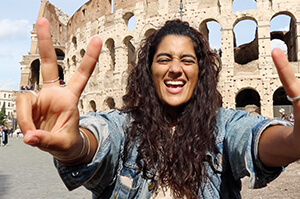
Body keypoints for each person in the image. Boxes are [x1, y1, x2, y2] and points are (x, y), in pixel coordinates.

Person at [16, 17, 299, 199]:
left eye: (187, 60)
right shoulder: (125, 128)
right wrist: (74, 145)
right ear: (147, 70)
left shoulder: (222, 127)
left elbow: (254, 138)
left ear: (201, 72)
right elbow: (97, 140)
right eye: (164, 59)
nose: (175, 68)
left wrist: (294, 142)